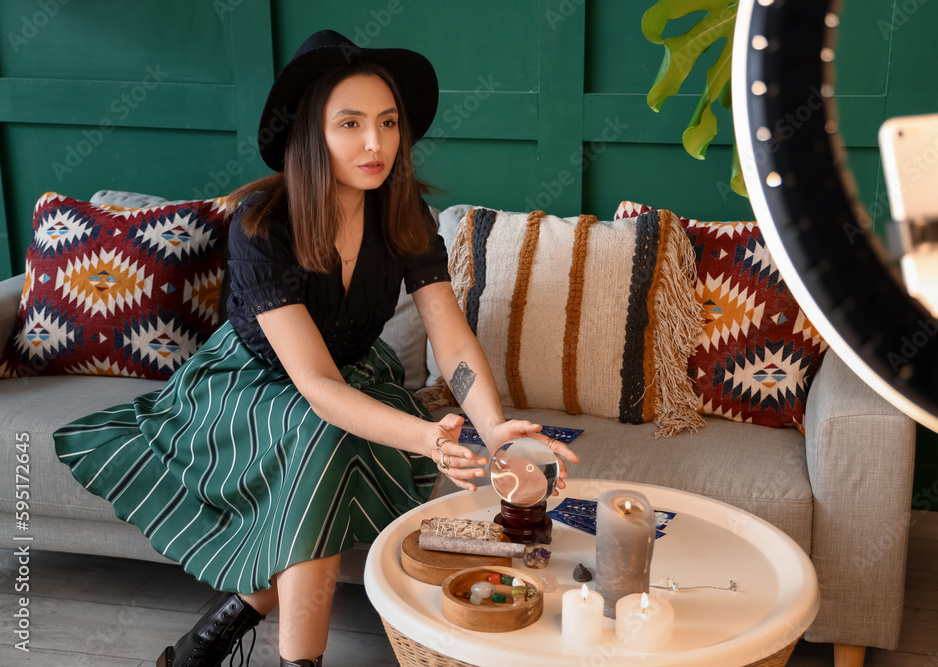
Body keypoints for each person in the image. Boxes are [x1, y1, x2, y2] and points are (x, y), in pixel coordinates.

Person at [53, 29, 579, 667]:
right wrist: (429, 439)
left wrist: (493, 429)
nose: (375, 143)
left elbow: (448, 326)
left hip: (352, 378)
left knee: (321, 468)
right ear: (310, 133)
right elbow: (314, 384)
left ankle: (208, 642)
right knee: (323, 442)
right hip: (252, 383)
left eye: (388, 123)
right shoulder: (261, 225)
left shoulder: (403, 210)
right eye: (350, 123)